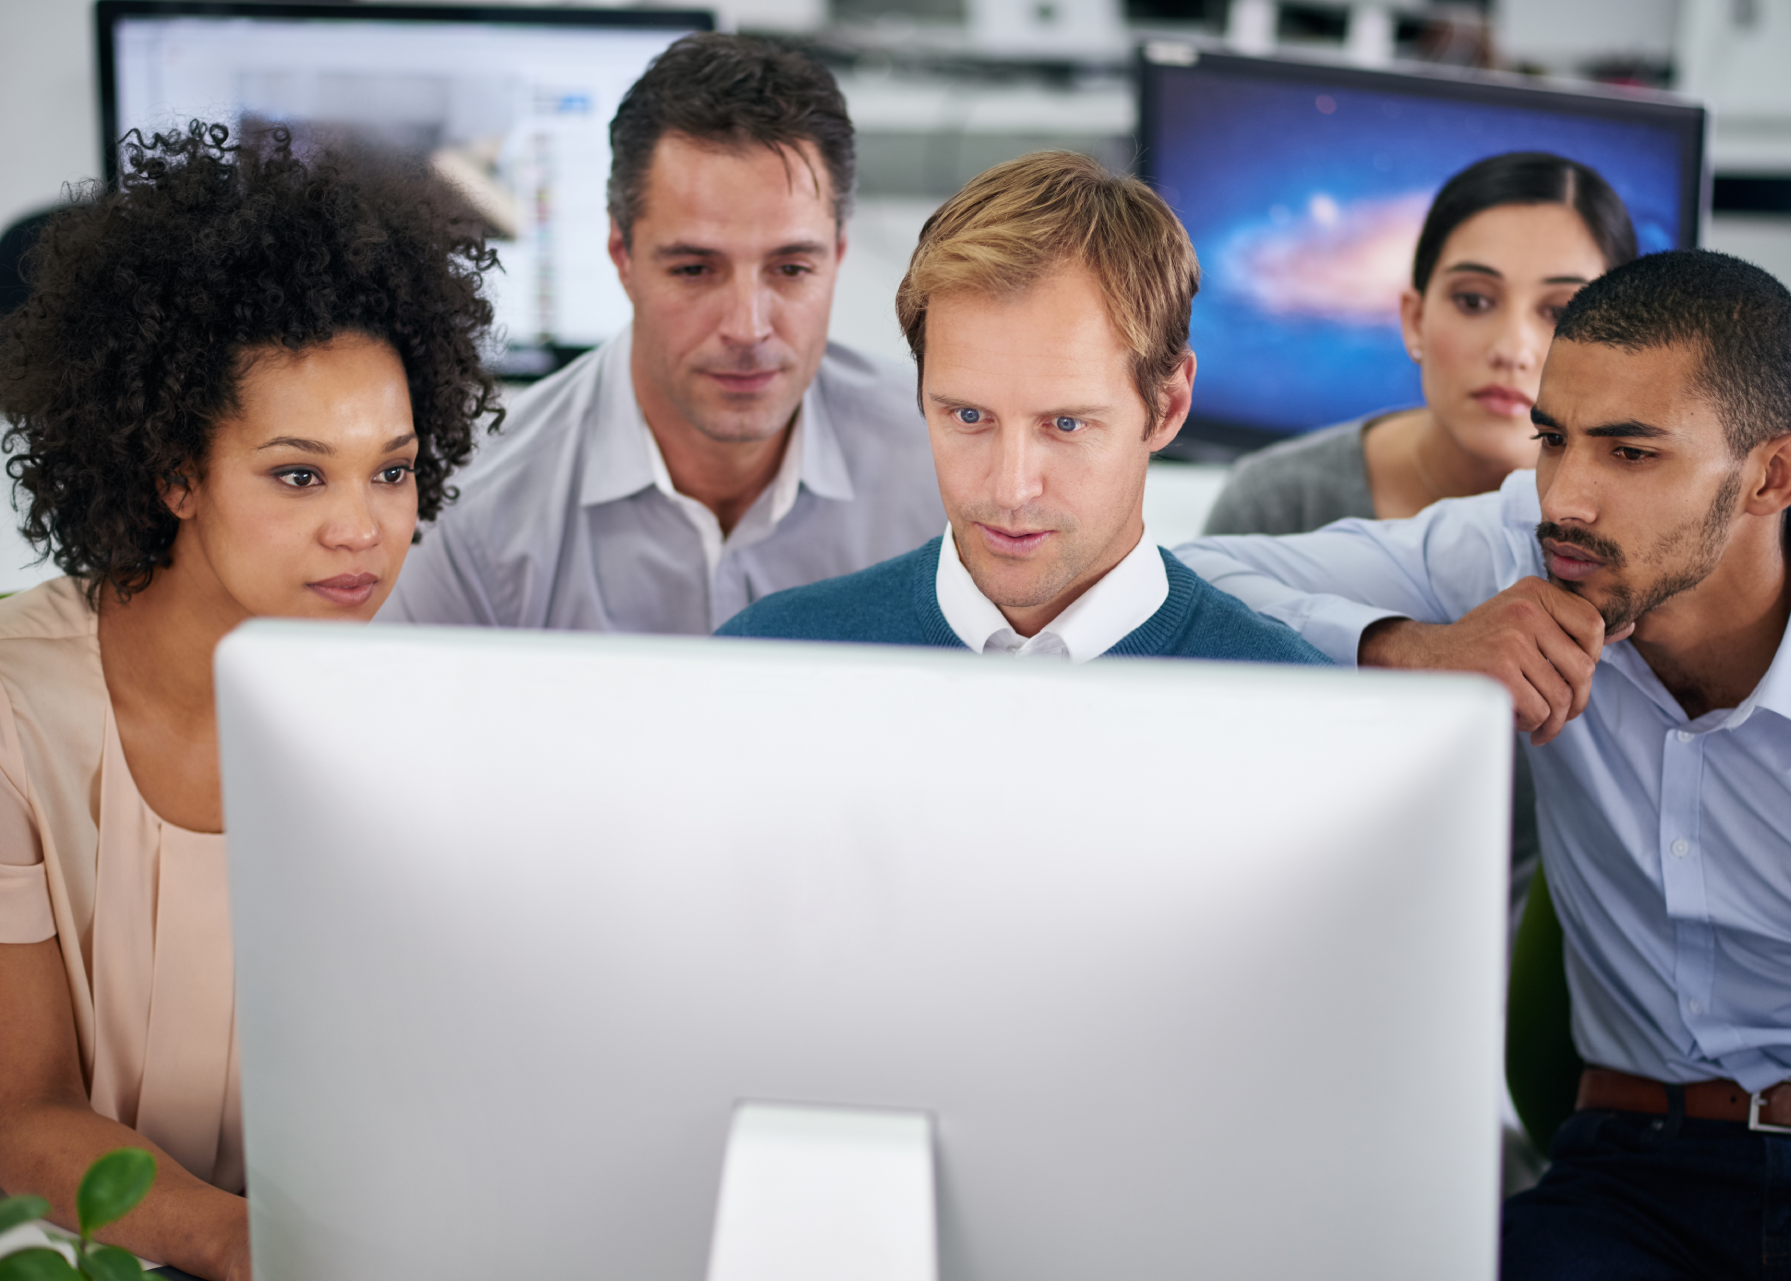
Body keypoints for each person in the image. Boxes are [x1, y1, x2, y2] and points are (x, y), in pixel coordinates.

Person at [1177, 249, 1791, 1279]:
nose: (1564, 499)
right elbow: (1174, 587)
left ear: (1772, 476)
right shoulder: (1513, 552)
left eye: (1631, 454)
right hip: (1624, 1180)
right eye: (1553, 439)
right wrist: (1408, 646)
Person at [0, 125, 501, 1279]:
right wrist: (262, 1250)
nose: (361, 528)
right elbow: (21, 1121)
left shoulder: (420, 726)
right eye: (297, 474)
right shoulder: (18, 719)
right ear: (175, 472)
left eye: (392, 469)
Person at [380, 33, 946, 635]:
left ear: (837, 255)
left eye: (790, 268)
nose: (748, 327)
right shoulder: (473, 516)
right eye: (695, 270)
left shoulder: (947, 474)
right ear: (622, 257)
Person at [719, 151, 1325, 666]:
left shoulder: (1306, 713)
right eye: (968, 417)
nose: (1011, 491)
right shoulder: (765, 661)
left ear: (1166, 408)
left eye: (1065, 424)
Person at [1202, 151, 1791, 544]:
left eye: (1563, 309)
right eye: (1474, 300)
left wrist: (1714, 500)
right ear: (1415, 320)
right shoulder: (1280, 501)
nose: (1514, 347)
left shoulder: (1730, 475)